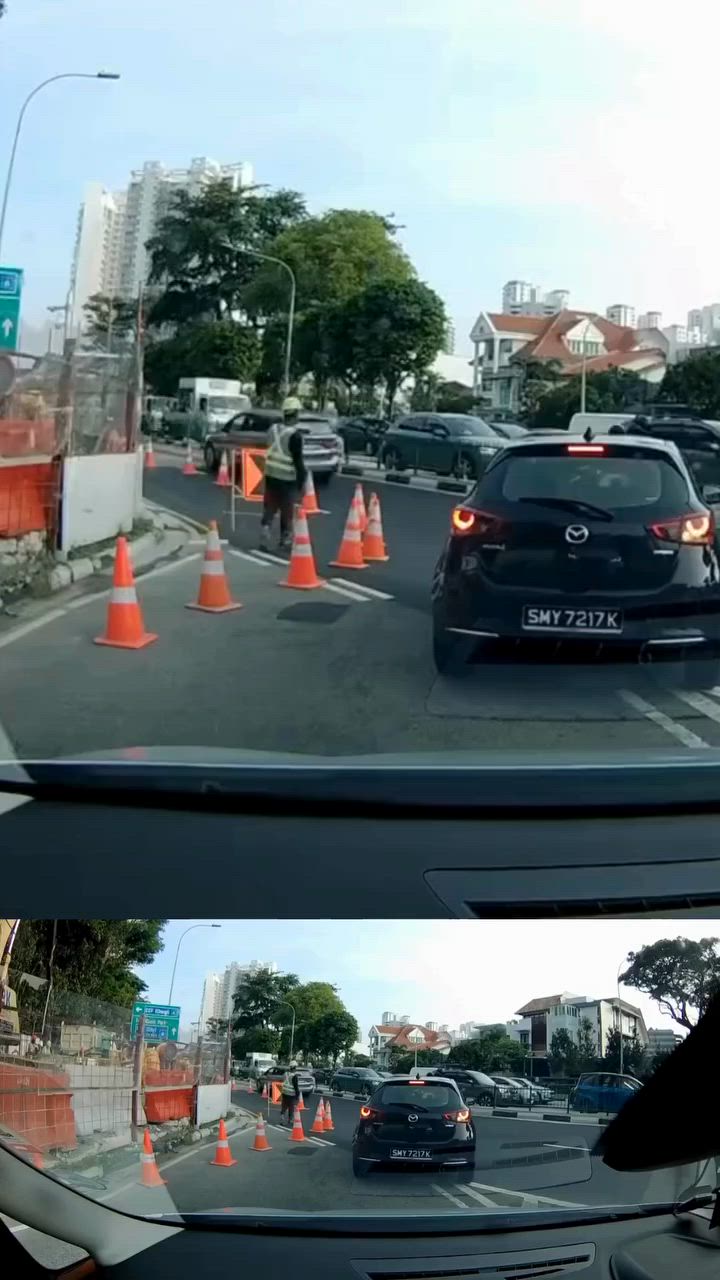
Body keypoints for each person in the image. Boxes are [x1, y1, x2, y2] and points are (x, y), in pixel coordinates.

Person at [260, 397, 307, 551]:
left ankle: (265, 529)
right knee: (287, 509)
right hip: (287, 478)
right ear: (295, 415)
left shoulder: (272, 429)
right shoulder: (295, 436)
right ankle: (285, 538)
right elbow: (298, 461)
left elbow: (267, 448)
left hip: (271, 475)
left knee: (271, 505)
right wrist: (302, 482)